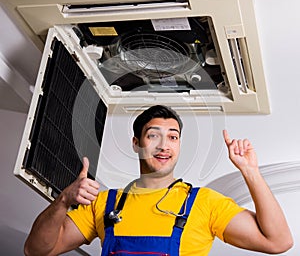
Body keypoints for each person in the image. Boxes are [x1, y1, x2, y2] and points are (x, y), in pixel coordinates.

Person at [24, 105, 293, 256]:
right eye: (154, 135)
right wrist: (63, 201)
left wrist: (250, 171)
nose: (165, 145)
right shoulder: (105, 204)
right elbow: (35, 251)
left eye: (173, 137)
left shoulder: (205, 203)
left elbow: (278, 241)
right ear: (136, 143)